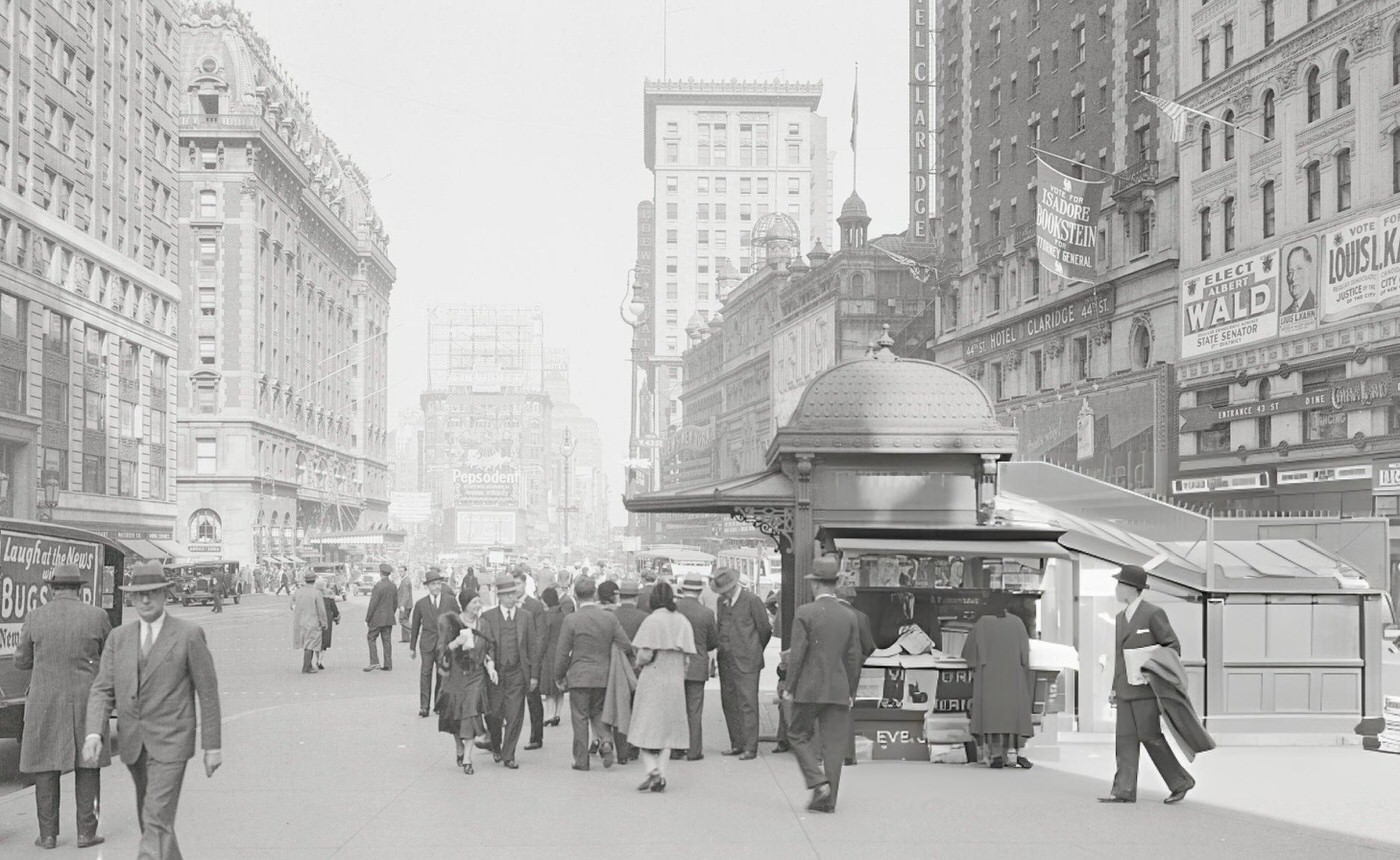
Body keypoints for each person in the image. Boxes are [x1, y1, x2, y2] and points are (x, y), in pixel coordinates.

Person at [84, 561, 222, 859]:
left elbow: (208, 693)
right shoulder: (119, 638)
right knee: (155, 822)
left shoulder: (188, 634)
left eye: (152, 593)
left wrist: (212, 746)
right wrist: (94, 732)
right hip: (134, 745)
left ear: (165, 595)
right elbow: (102, 688)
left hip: (172, 743)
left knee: (155, 820)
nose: (145, 600)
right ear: (131, 598)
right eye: (138, 595)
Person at [16, 563, 112, 849]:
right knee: (88, 766)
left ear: (52, 588)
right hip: (87, 700)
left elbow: (22, 661)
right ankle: (86, 833)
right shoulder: (97, 616)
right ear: (79, 588)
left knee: (45, 767)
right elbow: (109, 656)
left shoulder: (35, 617)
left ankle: (47, 836)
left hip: (44, 702)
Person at [1099, 564, 1195, 805]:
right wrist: (1113, 687)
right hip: (1124, 688)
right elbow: (1119, 656)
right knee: (1124, 739)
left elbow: (1172, 646)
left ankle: (1180, 781)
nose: (1116, 588)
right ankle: (1123, 790)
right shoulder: (1121, 618)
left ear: (1130, 588)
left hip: (1145, 688)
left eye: (1119, 584)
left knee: (1150, 736)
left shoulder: (1153, 613)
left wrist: (1148, 660)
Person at [783, 557, 863, 814]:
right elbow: (854, 658)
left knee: (796, 733)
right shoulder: (849, 616)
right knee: (835, 745)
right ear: (837, 583)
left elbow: (798, 654)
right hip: (839, 688)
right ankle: (828, 801)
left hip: (809, 687)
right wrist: (851, 691)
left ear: (815, 584)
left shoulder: (805, 613)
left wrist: (789, 686)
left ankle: (818, 783)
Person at [554, 576, 632, 771]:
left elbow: (563, 652)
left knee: (580, 716)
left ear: (575, 595)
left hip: (579, 674)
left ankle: (581, 760)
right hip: (604, 674)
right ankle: (606, 740)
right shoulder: (609, 618)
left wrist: (559, 675)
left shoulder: (571, 619)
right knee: (598, 712)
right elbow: (625, 644)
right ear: (595, 593)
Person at [627, 581, 696, 793]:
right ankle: (661, 774)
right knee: (668, 732)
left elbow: (645, 654)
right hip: (675, 678)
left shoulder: (652, 620)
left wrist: (637, 663)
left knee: (642, 728)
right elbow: (687, 656)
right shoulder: (682, 621)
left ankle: (652, 770)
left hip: (653, 679)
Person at [962, 591, 1034, 769]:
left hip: (989, 676)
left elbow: (969, 652)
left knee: (992, 715)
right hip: (1013, 675)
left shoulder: (983, 623)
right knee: (1013, 714)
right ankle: (1015, 753)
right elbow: (1026, 653)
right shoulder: (1017, 622)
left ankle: (995, 754)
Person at [477, 573, 540, 769]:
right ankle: (496, 744)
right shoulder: (487, 617)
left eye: (514, 593)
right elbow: (484, 646)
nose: (513, 597)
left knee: (515, 715)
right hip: (495, 675)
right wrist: (489, 665)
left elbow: (533, 648)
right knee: (494, 715)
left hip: (517, 673)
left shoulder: (525, 617)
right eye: (509, 595)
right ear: (501, 597)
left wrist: (534, 676)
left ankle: (509, 754)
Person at [711, 565, 772, 759]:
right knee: (729, 702)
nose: (724, 593)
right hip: (726, 660)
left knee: (747, 703)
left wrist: (754, 649)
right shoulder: (722, 602)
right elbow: (719, 627)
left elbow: (764, 629)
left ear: (732, 586)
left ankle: (750, 747)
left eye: (725, 589)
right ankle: (736, 743)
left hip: (747, 661)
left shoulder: (751, 600)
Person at [436, 593, 494, 775]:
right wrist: (454, 643)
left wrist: (490, 665)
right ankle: (459, 745)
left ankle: (468, 758)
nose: (478, 605)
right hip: (455, 676)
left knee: (470, 712)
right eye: (474, 602)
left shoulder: (484, 624)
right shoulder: (450, 623)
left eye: (479, 602)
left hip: (476, 675)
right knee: (455, 715)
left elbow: (490, 647)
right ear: (465, 605)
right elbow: (440, 650)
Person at [673, 574, 718, 761]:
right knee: (694, 709)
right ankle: (693, 750)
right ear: (700, 591)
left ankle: (675, 749)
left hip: (675, 665)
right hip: (697, 665)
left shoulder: (673, 610)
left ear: (682, 589)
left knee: (676, 708)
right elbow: (712, 642)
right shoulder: (707, 614)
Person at [410, 569, 461, 718]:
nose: (436, 587)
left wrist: (457, 642)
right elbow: (415, 626)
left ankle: (439, 704)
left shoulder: (450, 601)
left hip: (444, 645)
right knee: (425, 673)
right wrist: (412, 647)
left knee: (442, 675)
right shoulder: (421, 604)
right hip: (427, 644)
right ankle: (424, 706)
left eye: (439, 583)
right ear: (427, 586)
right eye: (433, 584)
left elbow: (458, 620)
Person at [515, 568, 547, 751]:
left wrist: (535, 662)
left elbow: (541, 636)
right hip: (511, 660)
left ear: (524, 584)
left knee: (533, 699)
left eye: (518, 584)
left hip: (529, 661)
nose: (515, 588)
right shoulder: (507, 604)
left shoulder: (534, 606)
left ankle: (536, 736)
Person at [538, 587, 566, 727]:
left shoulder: (546, 617)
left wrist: (539, 654)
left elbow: (543, 638)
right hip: (562, 653)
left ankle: (549, 714)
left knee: (548, 688)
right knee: (559, 687)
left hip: (549, 654)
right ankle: (557, 714)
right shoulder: (563, 615)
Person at [291, 570, 328, 674]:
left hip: (299, 622)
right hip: (312, 622)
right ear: (314, 580)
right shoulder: (316, 593)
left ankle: (309, 665)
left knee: (305, 644)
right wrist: (324, 623)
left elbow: (291, 606)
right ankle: (306, 667)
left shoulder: (298, 591)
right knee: (311, 645)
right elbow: (321, 610)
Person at [364, 563, 398, 672]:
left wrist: (367, 618)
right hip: (389, 617)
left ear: (380, 573)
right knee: (387, 641)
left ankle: (374, 662)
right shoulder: (393, 585)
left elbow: (373, 604)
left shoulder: (378, 586)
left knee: (371, 638)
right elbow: (395, 603)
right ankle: (388, 664)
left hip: (377, 618)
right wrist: (391, 613)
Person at [1283, 245, 1316, 315]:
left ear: (1309, 270)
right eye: (1290, 272)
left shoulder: (1316, 304)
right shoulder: (1285, 314)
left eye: (1299, 269)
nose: (1293, 278)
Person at [318, 578, 341, 669]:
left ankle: (315, 659)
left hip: (315, 619)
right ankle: (319, 661)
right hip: (327, 620)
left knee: (316, 641)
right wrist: (336, 618)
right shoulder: (329, 596)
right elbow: (335, 610)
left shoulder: (314, 595)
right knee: (324, 641)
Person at [397, 568, 414, 643]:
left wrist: (402, 605)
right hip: (408, 604)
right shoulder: (405, 580)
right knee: (405, 620)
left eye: (402, 571)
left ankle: (414, 631)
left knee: (402, 620)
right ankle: (405, 638)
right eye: (399, 571)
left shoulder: (405, 581)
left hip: (405, 605)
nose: (400, 573)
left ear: (405, 572)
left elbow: (405, 595)